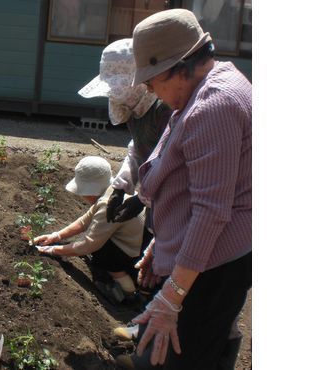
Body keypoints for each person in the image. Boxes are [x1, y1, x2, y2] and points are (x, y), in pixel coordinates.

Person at [126, 9, 251, 369]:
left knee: (170, 359)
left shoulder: (215, 106)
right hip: (211, 258)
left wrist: (172, 296)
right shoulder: (215, 85)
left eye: (153, 83)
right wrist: (162, 241)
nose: (153, 92)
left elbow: (211, 211)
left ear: (180, 66)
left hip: (215, 264)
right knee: (210, 342)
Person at [78, 37, 172, 225]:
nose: (115, 96)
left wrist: (142, 199)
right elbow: (137, 148)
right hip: (156, 198)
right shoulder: (134, 108)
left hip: (174, 198)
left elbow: (169, 159)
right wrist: (120, 187)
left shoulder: (163, 109)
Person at [33, 156, 145, 302]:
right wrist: (56, 236)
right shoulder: (114, 190)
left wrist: (53, 250)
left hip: (135, 251)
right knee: (99, 243)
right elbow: (85, 220)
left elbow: (89, 244)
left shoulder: (108, 205)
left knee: (103, 254)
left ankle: (129, 293)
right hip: (136, 239)